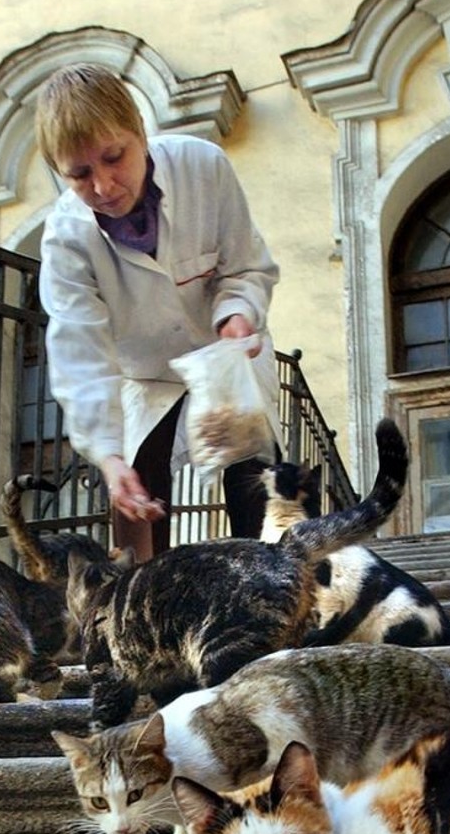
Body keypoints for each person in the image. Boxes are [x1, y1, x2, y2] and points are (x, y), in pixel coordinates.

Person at [35, 62, 282, 560]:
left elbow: (245, 267)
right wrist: (107, 456)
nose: (104, 186)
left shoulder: (203, 168)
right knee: (137, 495)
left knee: (252, 480)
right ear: (60, 173)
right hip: (145, 376)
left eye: (114, 157)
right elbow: (81, 358)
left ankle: (280, 593)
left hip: (224, 350)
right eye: (80, 174)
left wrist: (236, 313)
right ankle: (151, 615)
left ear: (141, 134)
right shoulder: (66, 239)